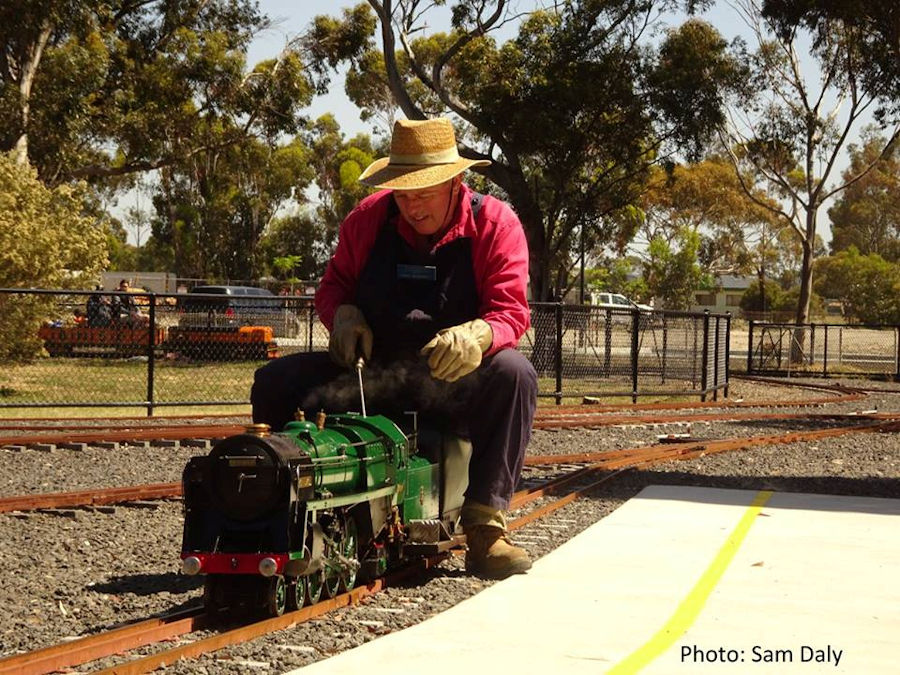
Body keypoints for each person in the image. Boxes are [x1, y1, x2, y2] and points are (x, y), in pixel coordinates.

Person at [251, 117, 537, 579]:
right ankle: (275, 509)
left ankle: (485, 528)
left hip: (452, 386)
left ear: (455, 182)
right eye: (402, 192)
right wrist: (342, 315)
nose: (411, 204)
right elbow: (333, 288)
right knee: (275, 380)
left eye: (423, 192)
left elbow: (511, 311)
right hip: (371, 379)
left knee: (515, 375)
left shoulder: (495, 223)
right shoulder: (367, 218)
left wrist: (479, 336)